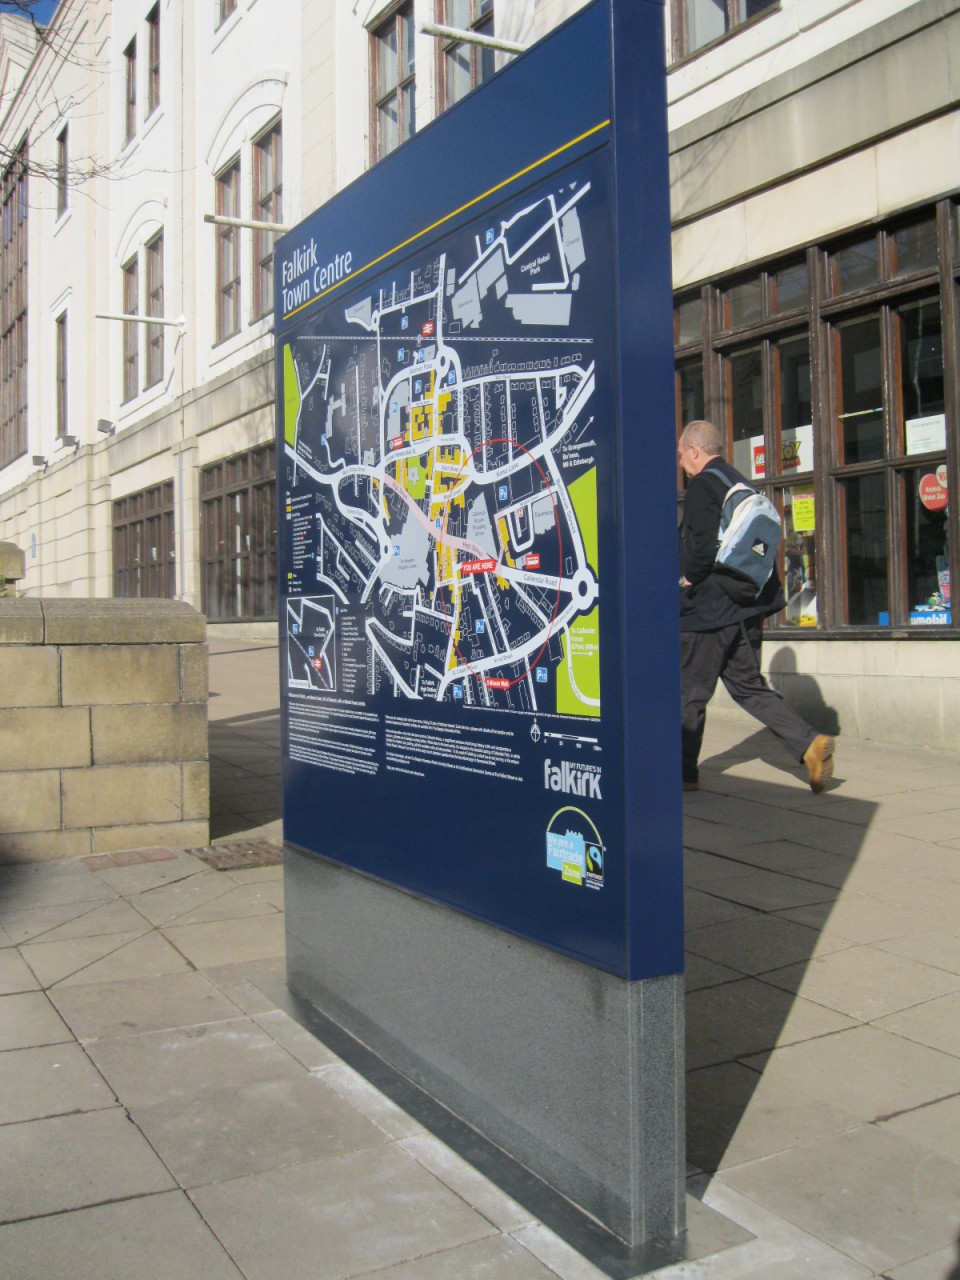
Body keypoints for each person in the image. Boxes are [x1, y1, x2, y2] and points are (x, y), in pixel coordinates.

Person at [677, 419, 834, 793]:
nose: (681, 464)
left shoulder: (703, 485)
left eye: (682, 456)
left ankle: (682, 774)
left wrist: (686, 580)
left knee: (687, 692)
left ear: (695, 451)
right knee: (748, 687)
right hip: (746, 605)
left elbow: (700, 550)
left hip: (709, 610)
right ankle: (809, 743)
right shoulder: (739, 481)